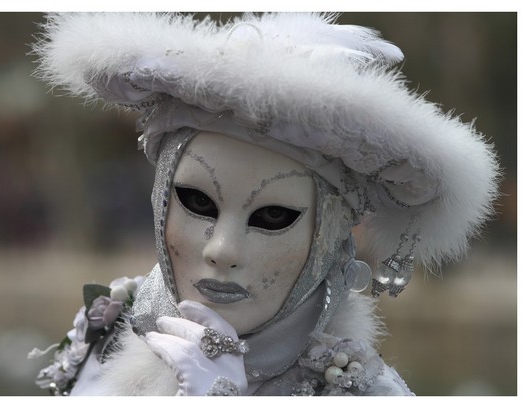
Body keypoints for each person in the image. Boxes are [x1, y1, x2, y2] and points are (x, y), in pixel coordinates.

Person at [28, 12, 499, 396]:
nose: (223, 250)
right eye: (197, 202)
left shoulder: (357, 393)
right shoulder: (106, 330)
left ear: (329, 235)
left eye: (274, 216)